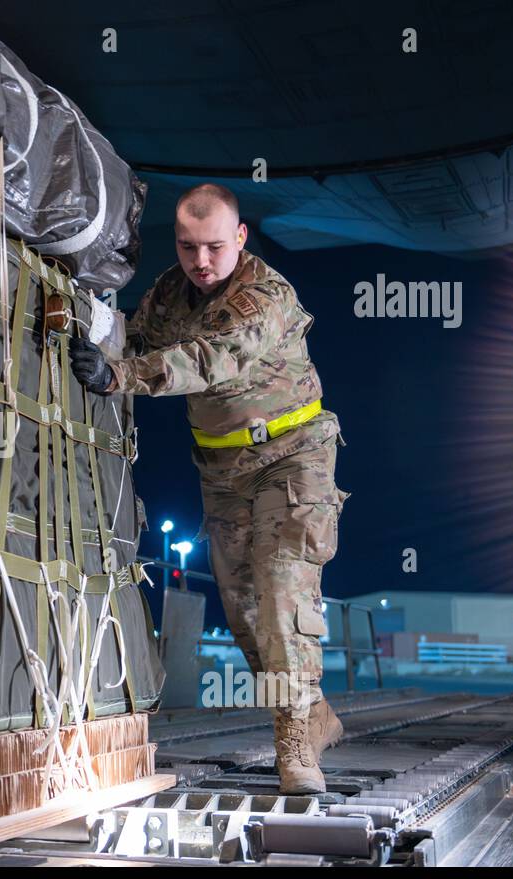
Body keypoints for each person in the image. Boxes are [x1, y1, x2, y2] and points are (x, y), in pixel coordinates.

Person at [68, 183, 349, 794]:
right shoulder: (172, 291)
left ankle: (295, 745)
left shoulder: (265, 296)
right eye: (188, 246)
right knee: (247, 617)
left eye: (215, 247)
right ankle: (311, 714)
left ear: (240, 238)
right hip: (222, 471)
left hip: (291, 458)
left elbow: (209, 360)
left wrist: (118, 375)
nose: (201, 261)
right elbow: (137, 338)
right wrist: (88, 327)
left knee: (280, 600)